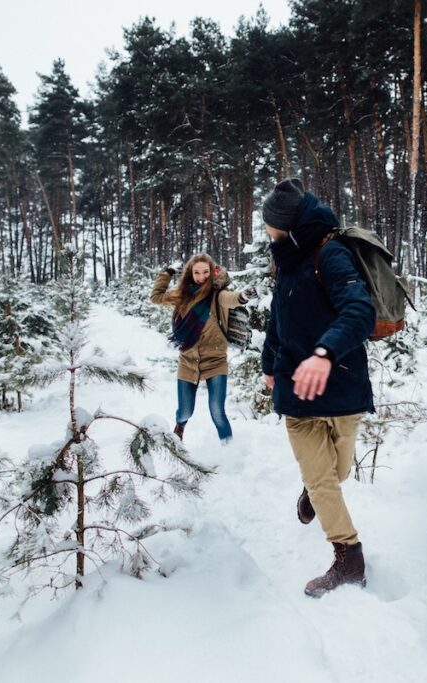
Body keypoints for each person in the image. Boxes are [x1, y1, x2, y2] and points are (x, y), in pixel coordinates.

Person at [260, 178, 375, 598]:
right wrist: (269, 363)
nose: (267, 232)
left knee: (337, 473)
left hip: (341, 385)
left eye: (270, 225)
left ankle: (313, 490)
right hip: (296, 393)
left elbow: (360, 310)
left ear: (286, 226)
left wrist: (324, 353)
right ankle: (349, 558)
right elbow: (278, 320)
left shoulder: (331, 255)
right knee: (324, 480)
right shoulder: (287, 262)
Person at [151, 253, 249, 443]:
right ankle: (180, 425)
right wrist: (168, 273)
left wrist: (243, 297)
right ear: (190, 273)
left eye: (205, 272)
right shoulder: (182, 295)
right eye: (197, 272)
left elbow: (232, 298)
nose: (201, 277)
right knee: (185, 411)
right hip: (188, 361)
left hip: (215, 361)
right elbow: (156, 297)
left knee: (217, 411)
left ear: (212, 272)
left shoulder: (217, 295)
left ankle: (230, 452)